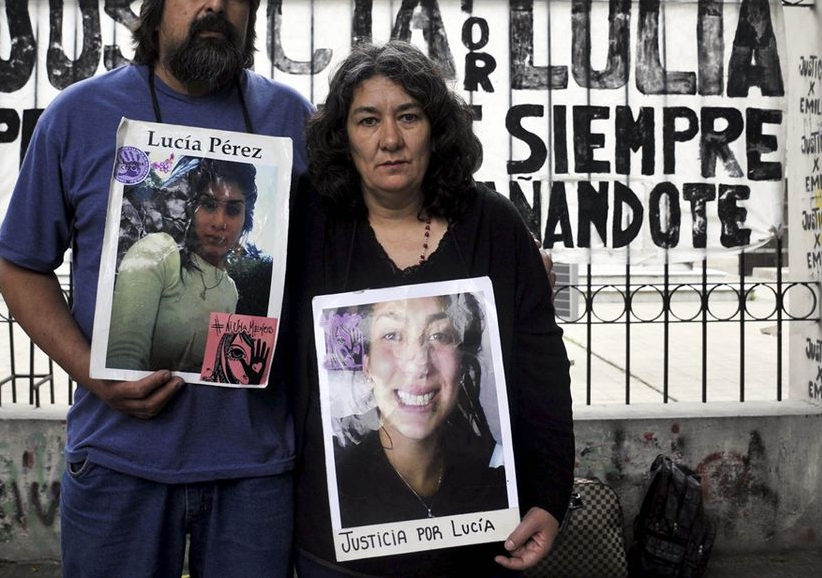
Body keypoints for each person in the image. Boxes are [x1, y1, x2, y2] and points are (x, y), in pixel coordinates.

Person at [0, 0, 311, 577]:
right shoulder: (77, 116)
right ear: (157, 0)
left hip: (255, 474)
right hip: (119, 465)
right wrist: (90, 368)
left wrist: (497, 252)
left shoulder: (289, 118)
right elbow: (20, 263)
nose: (216, 5)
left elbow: (362, 237)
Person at [287, 41, 575, 577]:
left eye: (409, 117)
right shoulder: (306, 222)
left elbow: (542, 374)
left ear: (436, 129)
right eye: (367, 120)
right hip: (334, 553)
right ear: (342, 137)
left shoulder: (493, 226)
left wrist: (549, 497)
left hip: (477, 550)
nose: (390, 140)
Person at [328, 293, 509, 528]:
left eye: (439, 335)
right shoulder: (337, 488)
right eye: (392, 335)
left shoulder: (498, 478)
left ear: (462, 362)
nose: (419, 363)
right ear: (367, 365)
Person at [105, 158, 258, 373]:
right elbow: (122, 360)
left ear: (245, 221)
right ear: (189, 209)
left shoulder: (229, 290)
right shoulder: (158, 252)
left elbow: (217, 370)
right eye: (209, 205)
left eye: (233, 211)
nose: (219, 222)